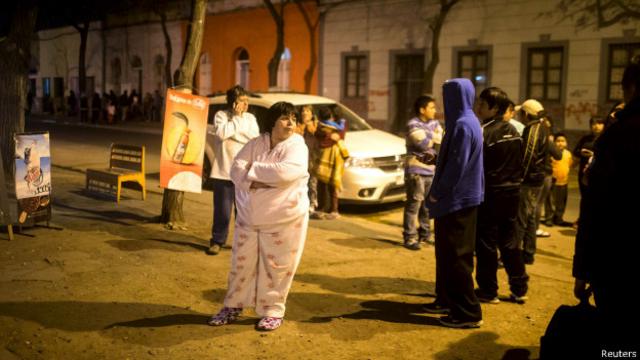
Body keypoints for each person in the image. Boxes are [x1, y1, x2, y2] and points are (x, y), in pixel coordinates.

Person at [207, 102, 309, 331]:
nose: (291, 123)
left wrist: (252, 173)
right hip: (249, 217)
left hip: (285, 218)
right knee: (241, 265)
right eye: (284, 118)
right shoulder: (256, 143)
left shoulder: (298, 146)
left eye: (293, 118)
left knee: (278, 266)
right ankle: (233, 305)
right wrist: (264, 179)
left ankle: (272, 310)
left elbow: (289, 172)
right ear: (272, 121)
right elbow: (235, 170)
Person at [573, 55, 640, 350]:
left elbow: (596, 207)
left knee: (618, 340)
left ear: (632, 88)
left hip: (618, 259)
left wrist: (583, 269)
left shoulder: (622, 134)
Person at [423, 78, 484, 328]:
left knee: (457, 258)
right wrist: (437, 157)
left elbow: (457, 167)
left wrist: (436, 192)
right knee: (450, 256)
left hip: (457, 200)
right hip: (463, 198)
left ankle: (467, 313)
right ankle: (448, 301)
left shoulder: (461, 124)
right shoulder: (468, 122)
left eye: (446, 96)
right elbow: (458, 158)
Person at [473, 87, 529, 305]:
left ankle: (488, 290)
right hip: (512, 193)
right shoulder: (514, 131)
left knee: (486, 243)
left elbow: (477, 166)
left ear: (494, 108)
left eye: (482, 104)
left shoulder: (484, 132)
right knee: (510, 242)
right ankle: (519, 287)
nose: (478, 107)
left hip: (491, 194)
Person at [206, 85, 259, 255]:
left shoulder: (251, 118)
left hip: (244, 173)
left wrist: (234, 132)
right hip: (223, 171)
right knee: (222, 210)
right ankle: (217, 240)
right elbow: (221, 134)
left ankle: (242, 243)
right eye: (241, 101)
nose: (245, 104)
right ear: (233, 102)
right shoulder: (221, 115)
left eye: (246, 100)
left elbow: (254, 139)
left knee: (243, 211)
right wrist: (236, 119)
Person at [514, 99, 553, 265]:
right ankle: (529, 253)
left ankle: (514, 256)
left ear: (526, 114)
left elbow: (528, 156)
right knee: (529, 217)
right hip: (537, 179)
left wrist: (521, 176)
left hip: (529, 181)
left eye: (521, 113)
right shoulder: (543, 127)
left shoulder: (532, 129)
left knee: (521, 218)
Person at [402, 95, 443, 250]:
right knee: (414, 205)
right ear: (422, 110)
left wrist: (430, 135)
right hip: (416, 171)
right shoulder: (412, 124)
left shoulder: (434, 123)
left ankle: (425, 235)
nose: (434, 111)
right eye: (432, 108)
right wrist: (433, 136)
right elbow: (422, 145)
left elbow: (442, 139)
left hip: (430, 170)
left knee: (427, 207)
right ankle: (410, 237)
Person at [313, 107, 348, 220]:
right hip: (325, 158)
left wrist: (330, 136)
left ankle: (333, 209)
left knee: (332, 184)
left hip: (333, 159)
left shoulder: (340, 126)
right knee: (322, 184)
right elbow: (322, 136)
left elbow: (339, 136)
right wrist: (330, 136)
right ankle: (323, 208)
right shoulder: (324, 127)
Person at [296, 105, 320, 217]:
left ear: (312, 113)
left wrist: (310, 124)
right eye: (303, 111)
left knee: (312, 183)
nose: (305, 113)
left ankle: (312, 204)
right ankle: (301, 204)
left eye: (307, 111)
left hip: (312, 158)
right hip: (300, 157)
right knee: (301, 183)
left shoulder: (316, 125)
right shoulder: (298, 125)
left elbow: (317, 135)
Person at [549, 132, 572, 226]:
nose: (560, 143)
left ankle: (559, 218)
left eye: (562, 141)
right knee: (551, 201)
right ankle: (549, 218)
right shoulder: (552, 154)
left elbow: (569, 164)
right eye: (558, 141)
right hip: (553, 181)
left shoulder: (568, 154)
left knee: (561, 202)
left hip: (564, 182)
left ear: (566, 143)